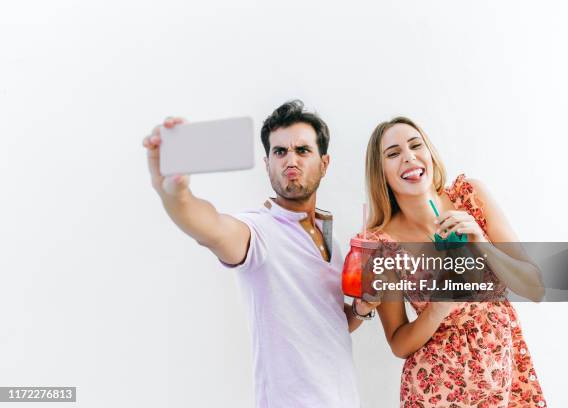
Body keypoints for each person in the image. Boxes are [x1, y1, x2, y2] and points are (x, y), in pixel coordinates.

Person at [142, 100, 378, 407]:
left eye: (302, 150)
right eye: (279, 152)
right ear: (267, 163)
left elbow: (330, 323)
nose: (290, 160)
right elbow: (211, 227)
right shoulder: (258, 231)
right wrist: (175, 196)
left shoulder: (331, 236)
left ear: (324, 162)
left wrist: (360, 309)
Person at [363, 116, 547, 407]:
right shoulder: (381, 245)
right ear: (380, 172)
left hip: (505, 385)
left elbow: (534, 287)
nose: (409, 158)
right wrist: (436, 309)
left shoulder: (470, 198)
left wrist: (480, 242)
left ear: (429, 152)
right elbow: (399, 342)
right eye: (393, 153)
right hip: (436, 393)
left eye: (415, 145)